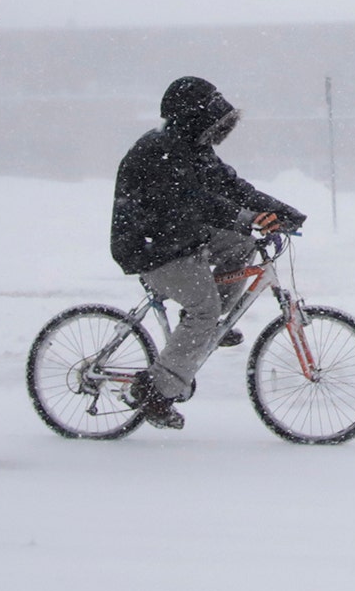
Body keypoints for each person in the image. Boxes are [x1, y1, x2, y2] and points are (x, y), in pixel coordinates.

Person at [110, 75, 305, 430]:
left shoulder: (193, 149)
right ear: (192, 118)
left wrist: (281, 211)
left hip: (178, 235)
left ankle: (204, 328)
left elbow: (231, 187)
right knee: (204, 308)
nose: (217, 130)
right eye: (211, 121)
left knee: (241, 245)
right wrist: (246, 217)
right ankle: (155, 391)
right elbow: (193, 202)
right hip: (150, 246)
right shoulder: (160, 151)